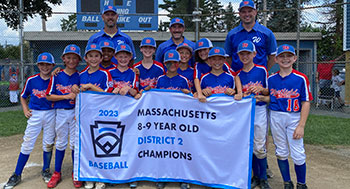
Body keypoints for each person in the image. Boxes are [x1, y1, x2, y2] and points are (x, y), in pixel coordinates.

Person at [257, 44, 312, 189]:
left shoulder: (301, 78)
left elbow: (306, 102)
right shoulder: (271, 79)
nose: (285, 59)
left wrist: (301, 125)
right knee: (281, 151)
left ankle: (301, 184)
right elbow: (274, 98)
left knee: (298, 152)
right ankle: (287, 182)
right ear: (276, 59)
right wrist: (262, 98)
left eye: (289, 56)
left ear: (295, 58)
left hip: (294, 117)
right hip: (276, 116)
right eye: (282, 56)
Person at [3, 53, 56, 189]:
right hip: (35, 114)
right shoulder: (32, 80)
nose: (45, 67)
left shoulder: (55, 79)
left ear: (52, 66)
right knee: (27, 143)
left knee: (48, 142)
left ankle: (45, 170)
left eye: (48, 64)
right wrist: (25, 109)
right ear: (38, 65)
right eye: (42, 64)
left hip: (51, 113)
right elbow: (23, 96)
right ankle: (17, 174)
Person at [45, 44, 82, 188]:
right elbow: (48, 96)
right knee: (60, 142)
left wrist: (78, 91)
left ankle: (75, 172)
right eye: (69, 57)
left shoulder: (80, 76)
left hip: (75, 112)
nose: (71, 60)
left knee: (74, 143)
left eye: (74, 58)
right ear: (63, 59)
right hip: (60, 112)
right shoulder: (57, 75)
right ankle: (57, 172)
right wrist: (66, 96)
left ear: (79, 60)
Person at [235, 40, 270, 189]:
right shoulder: (238, 75)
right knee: (249, 146)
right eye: (242, 53)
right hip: (244, 112)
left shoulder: (262, 70)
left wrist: (261, 89)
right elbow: (236, 95)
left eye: (248, 53)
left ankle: (263, 178)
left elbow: (269, 92)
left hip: (259, 109)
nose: (245, 56)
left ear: (254, 54)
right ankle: (255, 176)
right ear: (238, 55)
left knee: (259, 146)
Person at [225, 0, 277, 72]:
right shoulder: (232, 34)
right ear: (239, 13)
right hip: (237, 78)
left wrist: (263, 72)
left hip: (259, 79)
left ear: (255, 12)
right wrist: (235, 73)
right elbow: (228, 57)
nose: (247, 14)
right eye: (243, 12)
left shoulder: (267, 33)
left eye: (249, 11)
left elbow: (272, 56)